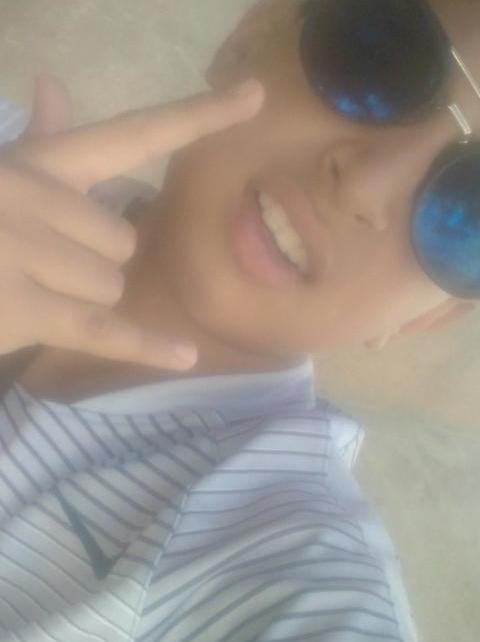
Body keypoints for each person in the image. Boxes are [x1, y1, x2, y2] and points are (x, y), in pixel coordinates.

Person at [0, 0, 478, 640]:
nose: (365, 186)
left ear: (427, 318)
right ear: (251, 37)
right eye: (380, 58)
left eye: (472, 206)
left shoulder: (285, 560)